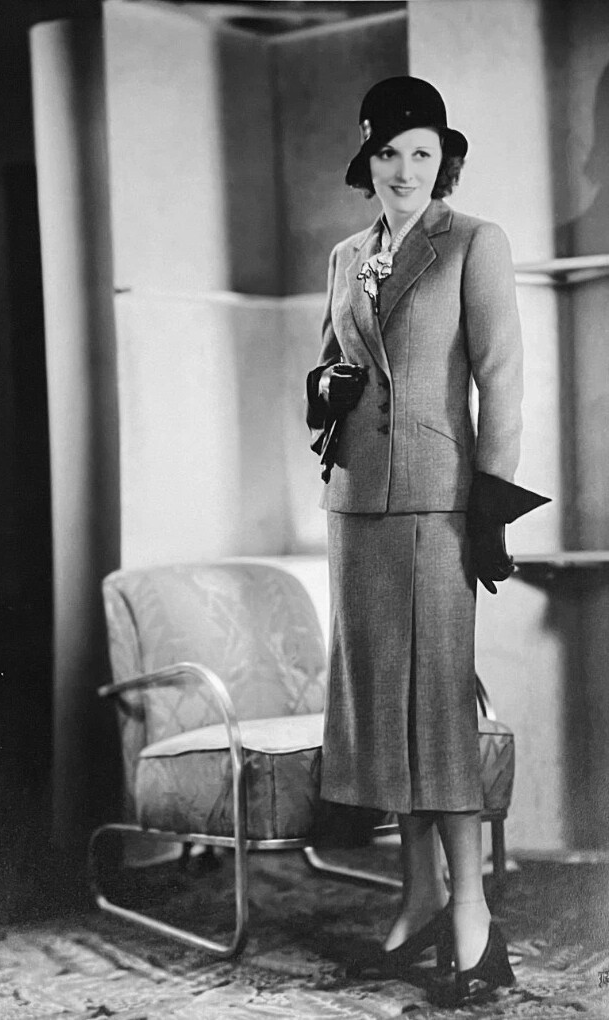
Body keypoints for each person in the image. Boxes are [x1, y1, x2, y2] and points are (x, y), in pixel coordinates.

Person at [305, 77, 548, 1006]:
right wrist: (323, 389)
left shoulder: (474, 242)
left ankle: (473, 924)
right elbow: (325, 363)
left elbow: (502, 381)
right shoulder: (345, 255)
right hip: (354, 507)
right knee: (383, 714)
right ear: (366, 160)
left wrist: (488, 508)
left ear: (442, 159)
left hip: (438, 507)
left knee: (436, 713)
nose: (404, 170)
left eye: (420, 153)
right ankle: (415, 903)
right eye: (388, 153)